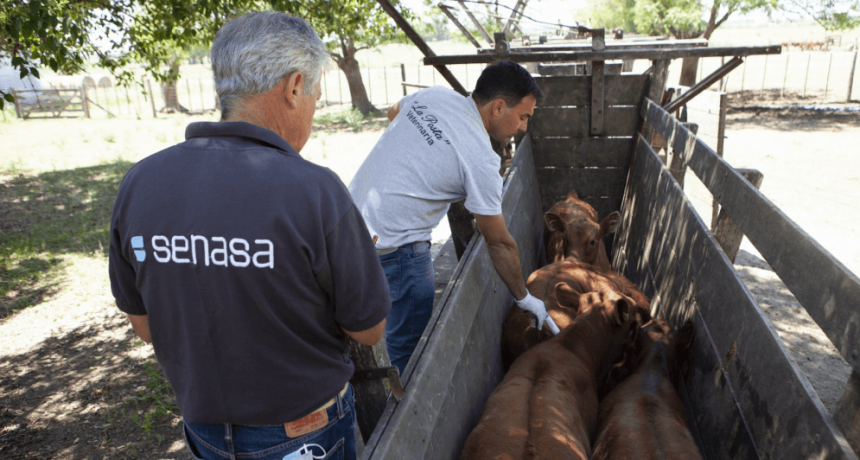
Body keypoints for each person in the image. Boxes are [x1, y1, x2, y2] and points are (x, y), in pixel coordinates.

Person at [108, 12, 391, 460]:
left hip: (203, 430)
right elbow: (369, 329)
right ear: (295, 86)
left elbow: (144, 326)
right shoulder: (314, 191)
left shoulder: (141, 182)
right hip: (304, 434)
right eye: (315, 95)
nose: (313, 110)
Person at [348, 61, 557, 375]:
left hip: (348, 223)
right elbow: (499, 243)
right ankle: (407, 414)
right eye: (523, 116)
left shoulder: (435, 96)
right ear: (499, 107)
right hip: (399, 249)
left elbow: (394, 112)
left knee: (349, 326)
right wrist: (524, 297)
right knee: (409, 349)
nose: (524, 126)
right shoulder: (482, 160)